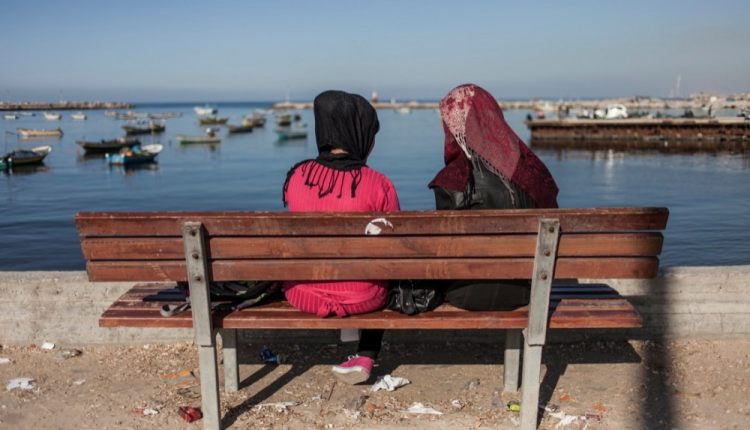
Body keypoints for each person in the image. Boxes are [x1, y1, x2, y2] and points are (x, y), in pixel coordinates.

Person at [282, 90, 399, 384]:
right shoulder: (379, 184)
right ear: (360, 134)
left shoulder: (297, 177)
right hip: (364, 298)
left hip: (302, 294)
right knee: (387, 271)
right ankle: (366, 353)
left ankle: (354, 347)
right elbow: (393, 251)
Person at [429, 83, 559, 310]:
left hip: (465, 293)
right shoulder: (531, 170)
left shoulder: (453, 179)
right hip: (525, 291)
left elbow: (444, 248)